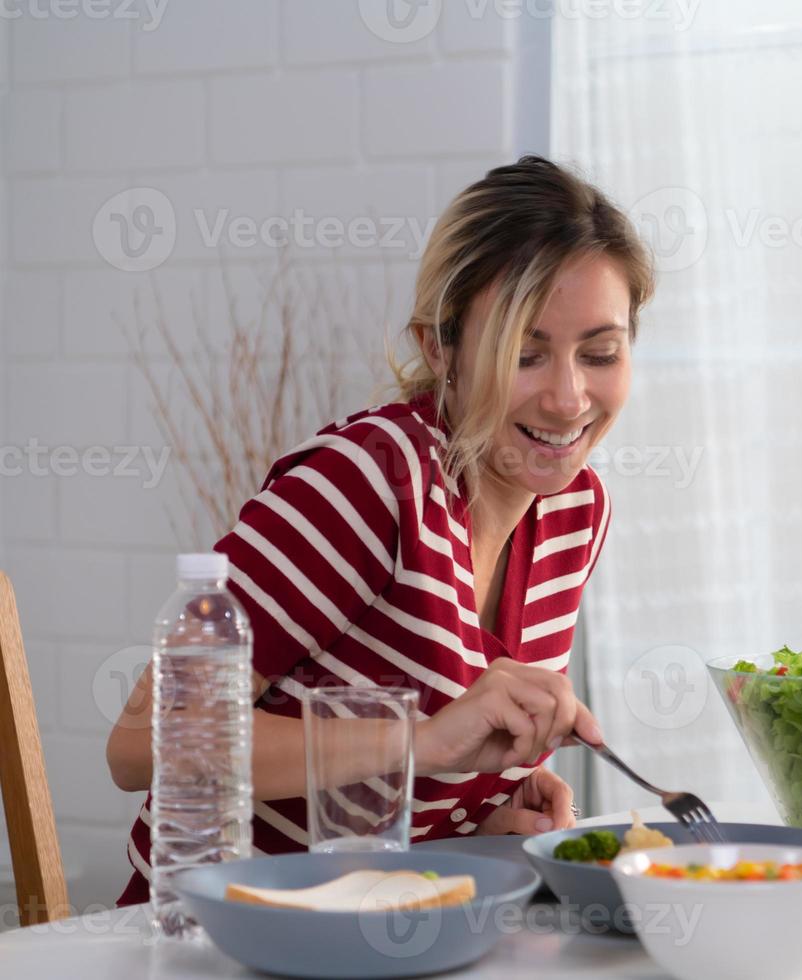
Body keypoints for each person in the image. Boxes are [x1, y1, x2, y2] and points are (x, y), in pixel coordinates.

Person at [106, 156, 653, 905]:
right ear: (441, 349)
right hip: (230, 933)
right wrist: (421, 743)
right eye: (523, 354)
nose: (568, 396)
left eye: (600, 352)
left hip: (402, 926)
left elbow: (413, 779)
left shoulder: (577, 511)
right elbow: (140, 746)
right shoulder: (370, 481)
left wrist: (484, 807)